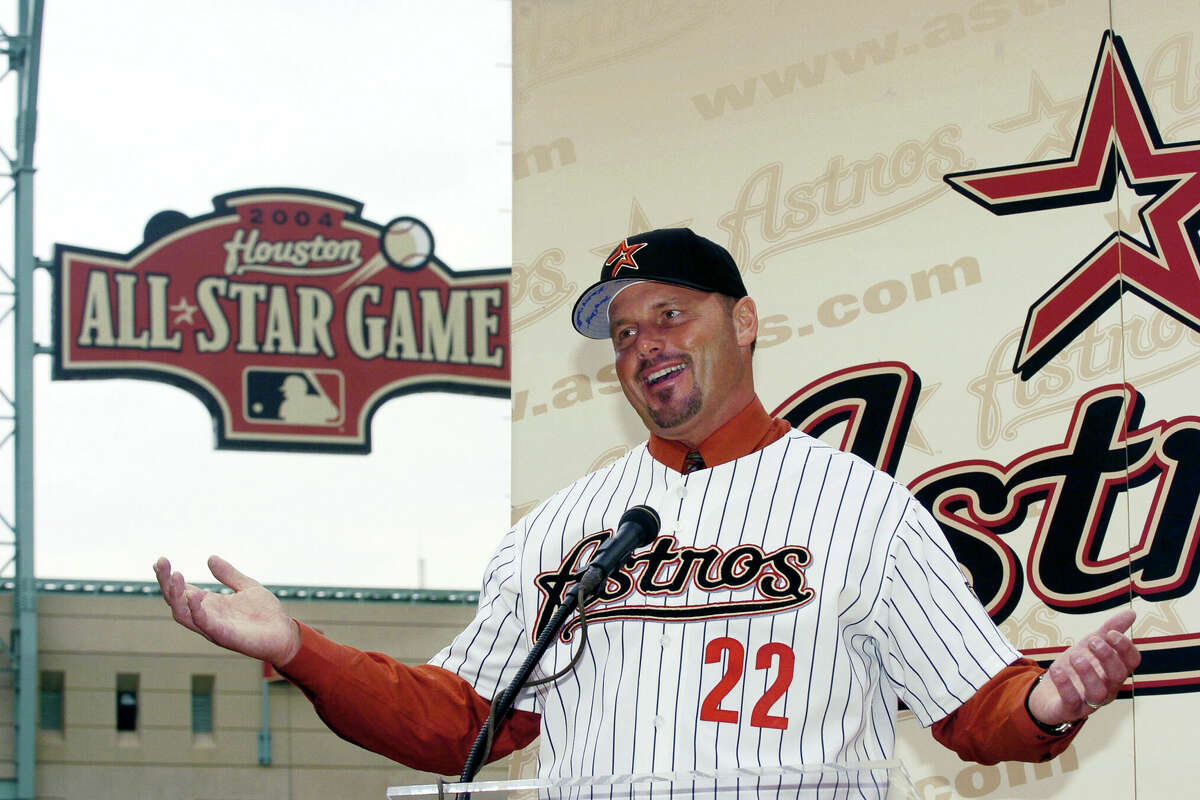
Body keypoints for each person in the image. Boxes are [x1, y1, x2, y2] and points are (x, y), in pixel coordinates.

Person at [155, 228, 1140, 782]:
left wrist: (1050, 698)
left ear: (743, 321)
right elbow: (461, 719)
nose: (645, 345)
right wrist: (298, 648)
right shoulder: (560, 530)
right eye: (624, 332)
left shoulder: (864, 509)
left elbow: (978, 703)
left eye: (671, 313)